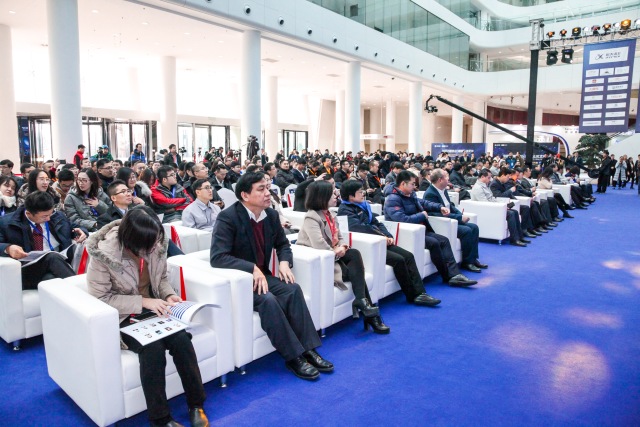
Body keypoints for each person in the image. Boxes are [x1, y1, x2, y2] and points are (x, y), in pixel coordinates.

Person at [86, 206, 209, 427]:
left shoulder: (155, 242)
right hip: (123, 315)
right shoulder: (105, 254)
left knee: (182, 340)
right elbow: (101, 298)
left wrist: (169, 295)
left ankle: (196, 403)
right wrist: (143, 302)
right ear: (133, 240)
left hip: (155, 308)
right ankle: (160, 419)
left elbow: (161, 279)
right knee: (152, 349)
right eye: (149, 244)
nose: (154, 247)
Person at [210, 172, 332, 380]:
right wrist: (251, 268)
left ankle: (309, 349)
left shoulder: (271, 215)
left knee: (292, 289)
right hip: (240, 282)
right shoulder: (228, 217)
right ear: (245, 195)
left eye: (267, 187)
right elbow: (218, 257)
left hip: (263, 277)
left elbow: (283, 244)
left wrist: (284, 262)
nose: (268, 193)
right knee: (268, 300)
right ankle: (294, 357)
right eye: (261, 189)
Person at [297, 180, 390, 334]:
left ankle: (363, 303)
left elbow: (340, 237)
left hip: (334, 255)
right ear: (322, 197)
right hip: (320, 261)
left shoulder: (331, 214)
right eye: (332, 194)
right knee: (357, 274)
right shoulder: (311, 217)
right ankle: (370, 314)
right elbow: (319, 244)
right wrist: (336, 250)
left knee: (354, 253)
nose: (336, 196)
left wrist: (343, 247)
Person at [338, 180, 441, 307]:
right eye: (360, 192)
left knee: (408, 256)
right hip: (369, 245)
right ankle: (412, 295)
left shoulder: (363, 206)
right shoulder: (345, 210)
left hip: (380, 240)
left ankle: (421, 293)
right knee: (399, 260)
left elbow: (377, 223)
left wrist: (388, 235)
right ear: (350, 196)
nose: (363, 194)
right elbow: (360, 228)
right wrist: (382, 237)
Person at [384, 171, 477, 286]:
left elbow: (423, 203)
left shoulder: (410, 194)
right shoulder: (392, 199)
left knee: (444, 240)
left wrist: (439, 207)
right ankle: (448, 276)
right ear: (403, 183)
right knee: (434, 243)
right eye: (412, 184)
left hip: (420, 229)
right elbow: (402, 219)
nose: (414, 186)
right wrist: (421, 215)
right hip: (408, 233)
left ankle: (455, 274)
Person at [0, 191, 87, 290]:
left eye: (50, 213)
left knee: (51, 279)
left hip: (59, 264)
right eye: (44, 216)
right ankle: (81, 291)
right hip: (28, 269)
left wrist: (81, 231)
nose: (49, 218)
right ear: (28, 213)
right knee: (51, 257)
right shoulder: (6, 223)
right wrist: (8, 248)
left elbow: (74, 227)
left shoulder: (57, 216)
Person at [424, 169, 486, 272]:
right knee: (466, 231)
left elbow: (450, 207)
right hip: (442, 223)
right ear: (440, 180)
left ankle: (473, 258)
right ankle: (467, 262)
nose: (448, 179)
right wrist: (459, 218)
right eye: (446, 177)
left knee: (474, 227)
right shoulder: (430, 193)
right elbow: (437, 214)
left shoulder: (443, 190)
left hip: (451, 219)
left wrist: (460, 215)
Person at [470, 169, 529, 246]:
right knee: (511, 213)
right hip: (486, 210)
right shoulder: (478, 188)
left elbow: (492, 199)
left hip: (493, 207)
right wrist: (501, 207)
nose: (490, 179)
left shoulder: (484, 185)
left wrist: (502, 205)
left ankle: (520, 236)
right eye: (488, 177)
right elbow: (485, 204)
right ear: (482, 177)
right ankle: (514, 239)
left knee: (515, 212)